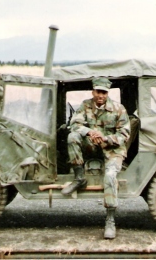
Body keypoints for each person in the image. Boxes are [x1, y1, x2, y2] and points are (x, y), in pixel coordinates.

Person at [61, 77, 130, 239]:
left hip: (112, 149)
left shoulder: (118, 109)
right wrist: (90, 132)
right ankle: (79, 178)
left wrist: (105, 138)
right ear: (93, 92)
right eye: (98, 92)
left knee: (111, 175)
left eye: (104, 92)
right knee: (72, 137)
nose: (101, 95)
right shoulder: (86, 105)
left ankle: (110, 219)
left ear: (108, 93)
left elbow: (124, 134)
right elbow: (75, 124)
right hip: (91, 145)